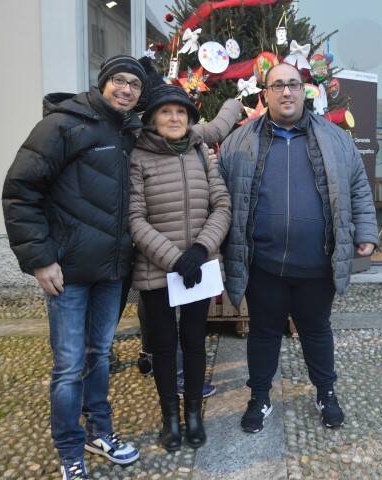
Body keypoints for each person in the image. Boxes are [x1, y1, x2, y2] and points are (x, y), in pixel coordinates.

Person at [2, 55, 147, 480]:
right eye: (118, 81)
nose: (126, 89)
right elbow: (20, 190)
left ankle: (98, 432)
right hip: (65, 270)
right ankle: (70, 450)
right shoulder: (63, 125)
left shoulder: (132, 132)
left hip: (112, 270)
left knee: (99, 354)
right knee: (68, 365)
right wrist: (40, 259)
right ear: (101, 84)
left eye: (134, 84)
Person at [218, 63, 378, 433]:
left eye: (292, 84)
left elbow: (357, 186)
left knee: (317, 331)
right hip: (264, 264)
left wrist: (366, 230)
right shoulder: (239, 141)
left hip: (316, 264)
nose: (286, 92)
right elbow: (221, 196)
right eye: (277, 86)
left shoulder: (335, 138)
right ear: (265, 94)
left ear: (304, 90)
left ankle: (326, 392)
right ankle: (259, 396)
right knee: (263, 332)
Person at [129, 84, 240, 451]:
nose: (174, 118)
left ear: (190, 119)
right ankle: (170, 420)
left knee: (194, 344)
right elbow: (134, 218)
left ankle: (193, 414)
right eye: (166, 112)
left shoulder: (199, 152)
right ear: (152, 119)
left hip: (198, 267)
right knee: (163, 347)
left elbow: (221, 205)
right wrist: (174, 259)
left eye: (182, 112)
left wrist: (200, 248)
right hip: (157, 270)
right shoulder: (138, 158)